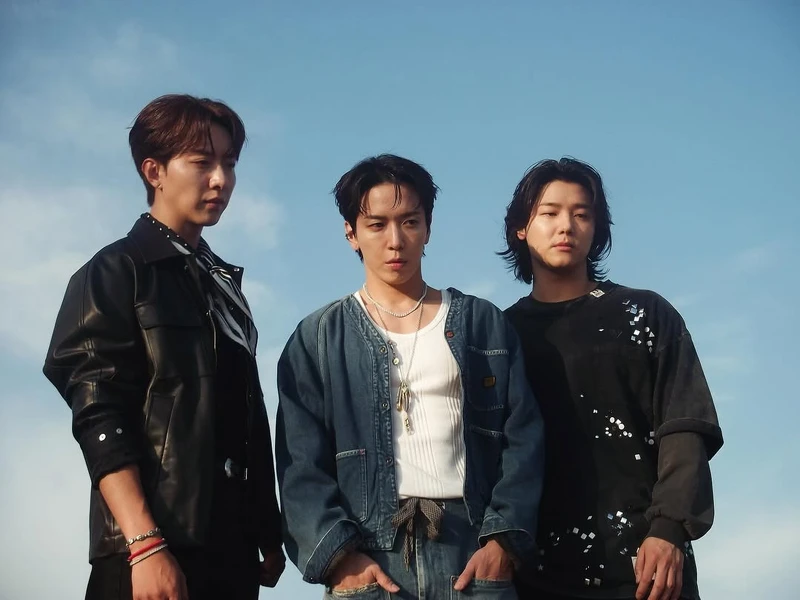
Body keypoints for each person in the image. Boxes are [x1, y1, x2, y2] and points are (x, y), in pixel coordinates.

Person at [43, 94, 285, 600]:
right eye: (202, 163)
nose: (221, 180)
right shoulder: (116, 271)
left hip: (231, 545)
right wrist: (144, 543)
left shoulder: (224, 289)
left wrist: (265, 522)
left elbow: (244, 412)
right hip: (150, 546)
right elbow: (98, 414)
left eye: (229, 164)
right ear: (154, 171)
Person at [275, 154, 544, 599]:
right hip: (368, 556)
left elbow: (524, 439)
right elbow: (299, 463)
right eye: (377, 225)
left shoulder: (482, 324)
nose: (395, 241)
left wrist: (502, 543)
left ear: (428, 228)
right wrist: (339, 558)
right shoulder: (318, 337)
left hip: (471, 555)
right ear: (351, 233)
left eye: (410, 222)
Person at [500, 157, 723, 600]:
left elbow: (685, 426)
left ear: (597, 228)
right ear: (521, 228)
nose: (566, 226)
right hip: (534, 573)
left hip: (648, 567)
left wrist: (670, 528)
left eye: (582, 214)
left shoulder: (645, 313)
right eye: (549, 213)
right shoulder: (500, 336)